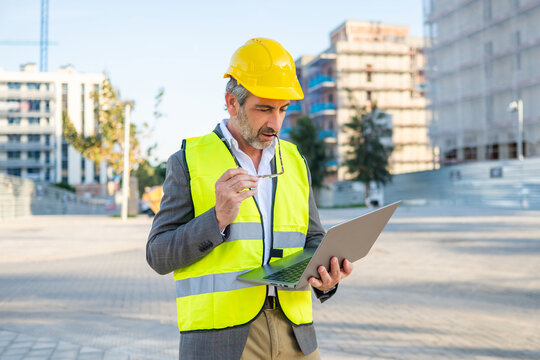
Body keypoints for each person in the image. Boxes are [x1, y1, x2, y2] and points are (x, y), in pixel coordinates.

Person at [146, 38, 353, 360]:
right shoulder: (188, 161)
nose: (276, 123)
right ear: (232, 103)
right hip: (221, 340)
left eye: (283, 109)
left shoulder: (295, 160)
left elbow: (313, 238)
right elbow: (158, 255)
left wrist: (326, 277)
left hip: (296, 335)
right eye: (264, 109)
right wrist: (217, 218)